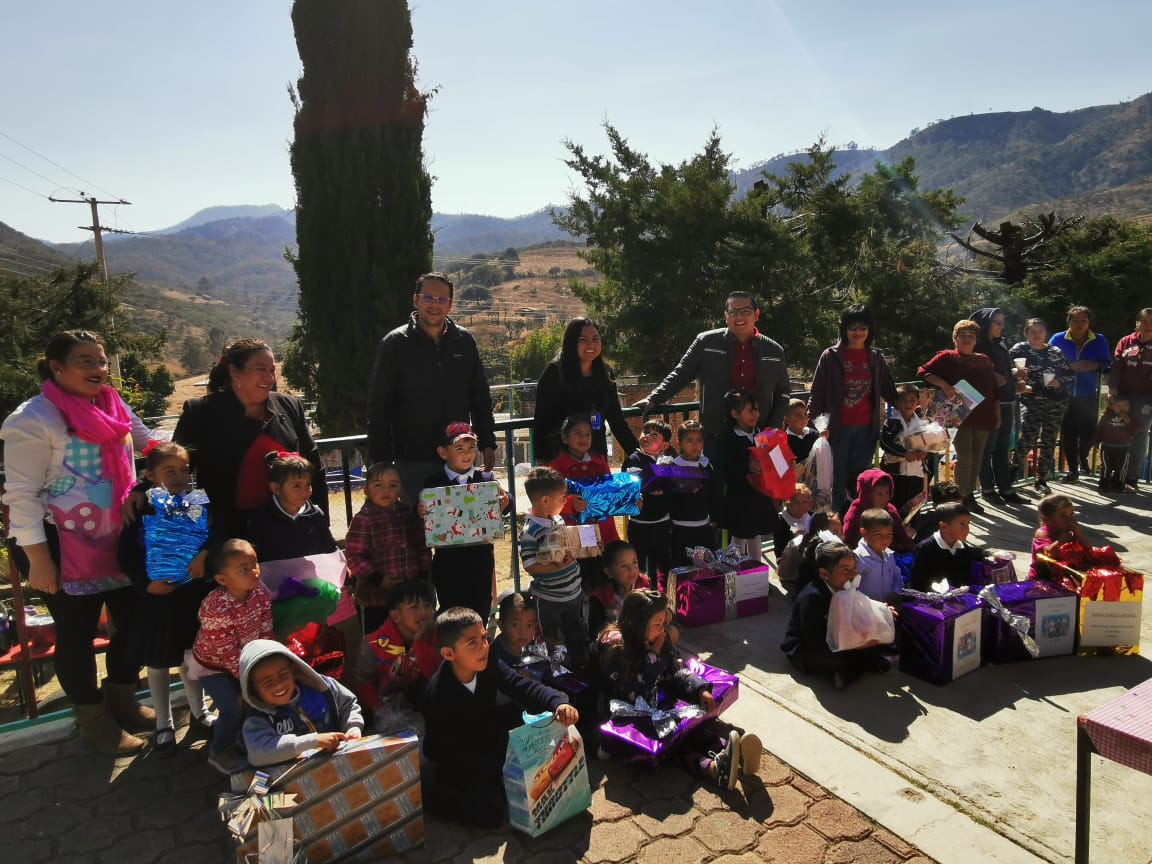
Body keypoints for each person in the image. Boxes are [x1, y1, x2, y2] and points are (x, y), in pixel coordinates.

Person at [1, 329, 163, 754]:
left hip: (115, 539)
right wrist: (39, 561)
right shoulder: (33, 419)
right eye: (86, 361)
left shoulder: (112, 405)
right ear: (57, 368)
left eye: (102, 360)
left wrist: (182, 458)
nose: (99, 369)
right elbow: (21, 496)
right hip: (57, 545)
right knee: (76, 633)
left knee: (132, 622)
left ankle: (122, 700)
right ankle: (93, 721)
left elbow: (150, 443)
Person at [421, 606, 578, 828]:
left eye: (484, 638)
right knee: (491, 812)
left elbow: (521, 686)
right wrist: (499, 770)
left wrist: (558, 703)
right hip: (457, 762)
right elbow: (449, 753)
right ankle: (429, 793)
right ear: (448, 654)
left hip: (488, 742)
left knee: (535, 777)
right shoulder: (437, 694)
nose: (483, 647)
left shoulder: (489, 664)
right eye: (472, 643)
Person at [598, 590, 762, 789]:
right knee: (675, 743)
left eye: (663, 622)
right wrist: (652, 658)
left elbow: (675, 669)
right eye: (657, 624)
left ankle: (735, 752)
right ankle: (714, 769)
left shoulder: (659, 639)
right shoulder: (617, 649)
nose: (662, 629)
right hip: (628, 712)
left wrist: (699, 689)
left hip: (656, 701)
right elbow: (634, 693)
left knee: (691, 728)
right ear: (638, 625)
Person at [174, 338, 326, 540]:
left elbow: (315, 467)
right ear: (234, 372)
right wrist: (198, 514)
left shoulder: (289, 406)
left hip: (290, 528)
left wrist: (321, 525)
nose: (269, 377)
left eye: (272, 370)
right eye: (260, 369)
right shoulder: (201, 412)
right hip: (229, 535)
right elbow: (172, 465)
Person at [118, 441, 215, 756]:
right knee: (158, 661)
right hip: (156, 599)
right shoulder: (142, 508)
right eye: (169, 471)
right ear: (150, 474)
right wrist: (146, 584)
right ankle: (163, 723)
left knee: (190, 656)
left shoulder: (196, 502)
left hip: (191, 596)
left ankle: (199, 711)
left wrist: (205, 554)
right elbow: (126, 554)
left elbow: (212, 534)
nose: (179, 476)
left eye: (184, 470)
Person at [367, 272, 497, 502]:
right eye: (428, 298)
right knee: (417, 524)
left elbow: (480, 397)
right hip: (412, 464)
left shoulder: (464, 341)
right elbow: (379, 408)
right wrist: (382, 462)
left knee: (463, 522)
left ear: (450, 304)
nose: (435, 305)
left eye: (442, 299)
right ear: (415, 300)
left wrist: (487, 443)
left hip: (457, 462)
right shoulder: (395, 344)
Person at [634, 291, 790, 465]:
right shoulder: (706, 342)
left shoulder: (774, 350)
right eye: (733, 311)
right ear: (725, 316)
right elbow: (681, 373)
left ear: (757, 314)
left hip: (758, 434)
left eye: (745, 311)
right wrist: (654, 398)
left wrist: (773, 428)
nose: (739, 316)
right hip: (716, 433)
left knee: (758, 479)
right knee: (716, 479)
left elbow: (783, 392)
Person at [188, 538, 274, 773]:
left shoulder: (260, 593)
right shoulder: (215, 608)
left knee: (258, 700)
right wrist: (252, 681)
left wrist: (269, 662)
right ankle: (219, 750)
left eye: (255, 563)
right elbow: (227, 653)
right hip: (213, 666)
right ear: (222, 579)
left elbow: (266, 629)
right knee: (234, 706)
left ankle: (247, 740)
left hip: (245, 660)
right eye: (244, 569)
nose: (254, 571)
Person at [806, 305, 899, 515]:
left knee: (859, 481)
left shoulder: (875, 357)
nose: (858, 332)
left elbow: (888, 389)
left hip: (866, 430)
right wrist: (818, 424)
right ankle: (836, 523)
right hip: (836, 430)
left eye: (862, 327)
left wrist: (910, 406)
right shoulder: (830, 356)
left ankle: (855, 522)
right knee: (837, 482)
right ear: (844, 329)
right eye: (852, 327)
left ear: (869, 329)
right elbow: (817, 394)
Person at [421, 421, 510, 620]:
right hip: (448, 562)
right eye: (459, 448)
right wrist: (419, 511)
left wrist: (505, 501)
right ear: (443, 453)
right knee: (451, 614)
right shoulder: (434, 482)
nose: (467, 454)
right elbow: (422, 514)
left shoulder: (486, 478)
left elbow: (506, 499)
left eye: (471, 447)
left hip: (480, 560)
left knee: (480, 609)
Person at [780, 541, 893, 690]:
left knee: (884, 632)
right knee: (841, 659)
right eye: (845, 570)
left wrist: (882, 613)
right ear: (824, 573)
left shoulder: (845, 587)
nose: (853, 574)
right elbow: (814, 640)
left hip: (841, 639)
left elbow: (860, 611)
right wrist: (858, 644)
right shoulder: (813, 597)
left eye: (854, 568)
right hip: (808, 649)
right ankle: (853, 670)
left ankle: (856, 667)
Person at [239, 639, 364, 768]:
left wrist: (353, 728)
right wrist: (313, 741)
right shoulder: (257, 719)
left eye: (283, 674)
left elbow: (348, 705)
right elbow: (258, 754)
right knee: (258, 782)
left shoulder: (321, 688)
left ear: (293, 671)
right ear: (253, 690)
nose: (278, 685)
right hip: (290, 775)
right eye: (267, 682)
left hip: (339, 765)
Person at [918, 319, 1000, 514]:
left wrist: (998, 415)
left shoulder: (984, 360)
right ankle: (962, 496)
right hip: (960, 416)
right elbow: (923, 371)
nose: (967, 339)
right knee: (965, 456)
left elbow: (994, 389)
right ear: (955, 338)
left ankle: (970, 494)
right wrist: (945, 386)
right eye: (962, 335)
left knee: (978, 457)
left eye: (971, 336)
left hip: (984, 414)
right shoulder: (947, 357)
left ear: (976, 340)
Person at [532, 317, 640, 464]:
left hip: (596, 458)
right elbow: (541, 421)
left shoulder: (605, 373)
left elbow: (616, 419)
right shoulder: (554, 373)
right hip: (562, 459)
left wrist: (638, 455)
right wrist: (541, 461)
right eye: (583, 339)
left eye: (595, 338)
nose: (591, 344)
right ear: (571, 342)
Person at [344, 461, 430, 634]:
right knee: (380, 642)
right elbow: (354, 557)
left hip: (410, 598)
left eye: (393, 485)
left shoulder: (408, 514)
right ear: (366, 490)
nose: (386, 491)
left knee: (412, 639)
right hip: (376, 600)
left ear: (401, 489)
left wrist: (422, 576)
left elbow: (422, 546)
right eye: (378, 485)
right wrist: (378, 579)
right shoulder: (363, 519)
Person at [346, 579, 439, 735]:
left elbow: (434, 675)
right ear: (396, 616)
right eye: (414, 607)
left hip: (421, 706)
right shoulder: (373, 643)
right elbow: (362, 682)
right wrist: (380, 710)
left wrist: (421, 643)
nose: (423, 612)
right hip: (382, 710)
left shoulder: (439, 637)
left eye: (427, 605)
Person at [518, 467, 587, 666]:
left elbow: (566, 546)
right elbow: (530, 566)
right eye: (562, 497)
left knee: (576, 630)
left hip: (573, 593)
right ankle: (554, 668)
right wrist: (556, 567)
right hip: (550, 599)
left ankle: (579, 663)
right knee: (551, 637)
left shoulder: (557, 519)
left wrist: (585, 546)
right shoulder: (530, 532)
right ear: (545, 500)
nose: (566, 500)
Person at [1010, 319, 1074, 494]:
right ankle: (1012, 470)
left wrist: (1058, 382)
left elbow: (1070, 375)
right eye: (1033, 331)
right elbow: (1005, 371)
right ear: (1026, 333)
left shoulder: (1055, 351)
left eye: (1040, 331)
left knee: (1049, 440)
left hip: (1056, 402)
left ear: (1046, 333)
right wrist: (1017, 379)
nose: (1037, 335)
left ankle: (1041, 479)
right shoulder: (1018, 350)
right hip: (1031, 401)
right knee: (1028, 436)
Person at [1049, 306, 1111, 481]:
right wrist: (1070, 367)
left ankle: (1082, 457)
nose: (1079, 324)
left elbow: (1107, 362)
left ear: (1089, 322)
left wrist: (1095, 365)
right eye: (1075, 320)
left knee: (1089, 433)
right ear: (1069, 322)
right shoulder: (1058, 338)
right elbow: (1048, 362)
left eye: (1084, 320)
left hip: (1088, 393)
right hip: (1064, 393)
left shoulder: (1098, 339)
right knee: (1068, 433)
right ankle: (1073, 470)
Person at [970, 308, 1025, 504]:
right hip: (989, 403)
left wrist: (1015, 376)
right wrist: (992, 376)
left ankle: (1006, 488)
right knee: (988, 447)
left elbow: (1002, 370)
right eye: (997, 323)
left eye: (1003, 323)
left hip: (1007, 399)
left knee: (1002, 447)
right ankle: (987, 488)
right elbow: (972, 370)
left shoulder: (999, 343)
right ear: (985, 324)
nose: (1001, 327)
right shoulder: (977, 346)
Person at [246, 451, 339, 562]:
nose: (305, 491)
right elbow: (257, 560)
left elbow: (330, 548)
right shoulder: (261, 521)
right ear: (276, 488)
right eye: (296, 485)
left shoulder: (316, 515)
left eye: (308, 484)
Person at [721, 388, 776, 560]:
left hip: (758, 495)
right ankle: (732, 567)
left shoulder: (761, 435)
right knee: (740, 535)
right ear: (734, 414)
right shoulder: (729, 438)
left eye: (756, 410)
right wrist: (747, 467)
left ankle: (756, 567)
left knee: (755, 533)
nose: (755, 414)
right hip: (741, 497)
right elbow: (727, 469)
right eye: (750, 410)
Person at [622, 419, 673, 579]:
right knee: (639, 564)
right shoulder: (633, 460)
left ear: (664, 445)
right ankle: (640, 590)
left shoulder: (667, 462)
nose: (647, 436)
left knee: (662, 563)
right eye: (645, 432)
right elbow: (627, 485)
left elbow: (673, 485)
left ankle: (662, 590)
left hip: (662, 521)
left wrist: (666, 487)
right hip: (639, 523)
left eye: (654, 435)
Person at [667, 420, 721, 567]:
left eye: (699, 440)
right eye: (690, 441)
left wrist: (715, 517)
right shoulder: (673, 467)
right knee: (683, 567)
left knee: (707, 567)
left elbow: (714, 494)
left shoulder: (706, 465)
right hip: (680, 527)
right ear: (680, 443)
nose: (695, 445)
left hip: (703, 526)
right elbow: (669, 497)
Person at [1108, 307, 1152, 488]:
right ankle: (1115, 473)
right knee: (1118, 432)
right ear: (1137, 323)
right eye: (1144, 321)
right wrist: (1112, 391)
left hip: (1146, 398)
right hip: (1123, 396)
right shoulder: (1126, 341)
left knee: (1139, 434)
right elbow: (1116, 367)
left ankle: (1131, 476)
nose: (1148, 325)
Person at [878, 383, 931, 512]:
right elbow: (885, 442)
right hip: (896, 471)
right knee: (895, 503)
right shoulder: (892, 422)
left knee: (914, 504)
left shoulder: (921, 423)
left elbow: (926, 443)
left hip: (916, 471)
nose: (908, 403)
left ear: (917, 402)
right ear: (896, 402)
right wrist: (904, 453)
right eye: (904, 400)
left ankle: (912, 524)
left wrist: (924, 453)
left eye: (912, 400)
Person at [908, 503, 982, 592]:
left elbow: (964, 580)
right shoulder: (925, 549)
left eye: (968, 524)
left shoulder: (963, 549)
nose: (967, 529)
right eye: (962, 524)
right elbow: (918, 584)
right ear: (944, 526)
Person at [840, 468, 915, 553]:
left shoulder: (890, 510)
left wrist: (911, 549)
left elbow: (901, 535)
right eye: (879, 494)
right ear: (867, 493)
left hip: (888, 554)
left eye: (887, 493)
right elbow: (847, 538)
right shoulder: (856, 511)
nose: (884, 498)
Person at [587, 541, 650, 637]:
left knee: (671, 631)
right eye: (623, 566)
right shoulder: (600, 597)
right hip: (615, 638)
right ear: (609, 572)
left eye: (634, 562)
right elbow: (596, 631)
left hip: (641, 633)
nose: (631, 569)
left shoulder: (643, 584)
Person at [1027, 494, 1090, 581]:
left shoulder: (1069, 531)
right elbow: (1048, 554)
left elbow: (1088, 551)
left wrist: (1079, 534)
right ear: (1046, 519)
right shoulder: (1043, 533)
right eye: (1063, 516)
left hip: (1064, 576)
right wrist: (1061, 541)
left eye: (1071, 514)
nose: (1069, 519)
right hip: (1042, 579)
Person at [854, 509, 903, 604]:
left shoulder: (889, 555)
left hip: (888, 609)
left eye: (889, 534)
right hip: (866, 610)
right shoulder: (858, 559)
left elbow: (897, 578)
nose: (885, 539)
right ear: (864, 533)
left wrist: (895, 593)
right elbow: (852, 590)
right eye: (879, 534)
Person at [1092, 397, 1139, 493]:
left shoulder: (1130, 417)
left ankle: (1119, 484)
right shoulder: (1107, 416)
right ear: (1112, 406)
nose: (1122, 408)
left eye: (1125, 405)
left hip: (1123, 448)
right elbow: (1100, 430)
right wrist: (1096, 442)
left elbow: (1136, 429)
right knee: (1106, 467)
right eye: (1118, 405)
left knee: (1121, 468)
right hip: (1107, 447)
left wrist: (1127, 419)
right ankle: (1103, 484)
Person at [782, 398, 819, 482]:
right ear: (786, 419)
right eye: (798, 416)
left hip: (814, 480)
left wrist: (823, 439)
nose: (803, 418)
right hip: (794, 482)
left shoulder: (814, 434)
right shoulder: (784, 439)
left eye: (805, 414)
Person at [773, 484, 813, 560]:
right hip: (789, 559)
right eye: (796, 502)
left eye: (805, 502)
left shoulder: (812, 517)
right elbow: (779, 549)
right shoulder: (780, 520)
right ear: (787, 502)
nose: (801, 506)